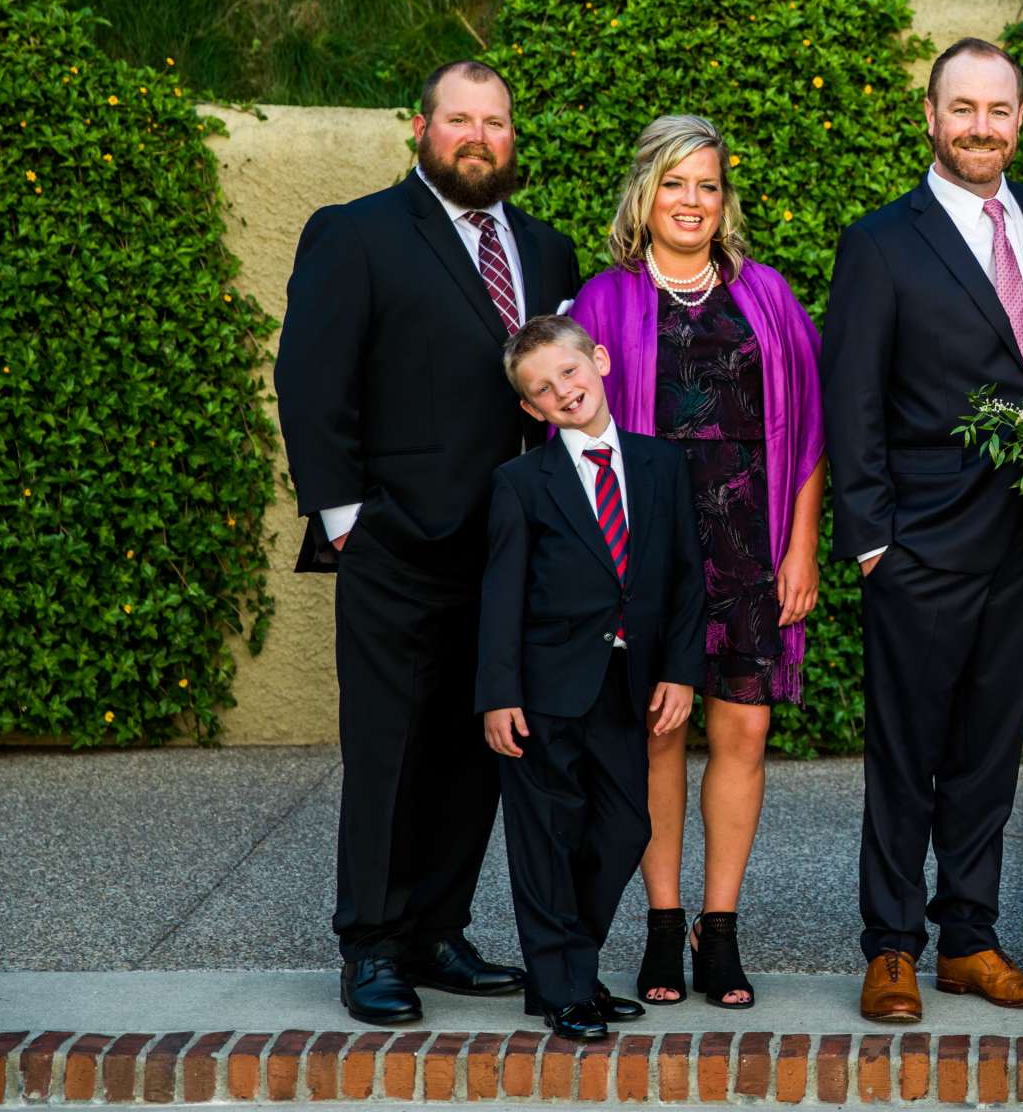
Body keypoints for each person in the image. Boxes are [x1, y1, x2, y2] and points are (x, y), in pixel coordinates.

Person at [273, 59, 578, 1026]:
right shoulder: (356, 233)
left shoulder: (547, 249)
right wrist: (347, 521)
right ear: (421, 128)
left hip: (507, 551)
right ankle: (369, 943)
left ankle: (437, 930)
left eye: (496, 122)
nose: (478, 137)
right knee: (387, 750)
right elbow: (311, 383)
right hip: (395, 546)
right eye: (460, 121)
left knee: (476, 745)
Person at [822, 37, 1023, 1023]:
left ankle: (969, 938)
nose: (980, 126)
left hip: (1022, 541)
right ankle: (890, 946)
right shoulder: (883, 240)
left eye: (998, 109)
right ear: (930, 117)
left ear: (1020, 120)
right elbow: (855, 399)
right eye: (961, 108)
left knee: (987, 750)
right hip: (918, 544)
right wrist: (874, 539)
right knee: (904, 752)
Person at [569, 115, 825, 1011]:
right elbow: (569, 428)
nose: (692, 201)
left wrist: (801, 546)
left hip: (751, 543)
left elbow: (812, 430)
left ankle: (721, 931)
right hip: (647, 550)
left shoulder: (768, 296)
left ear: (726, 200)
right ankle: (662, 924)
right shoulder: (602, 299)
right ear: (646, 193)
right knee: (658, 729)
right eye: (675, 183)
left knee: (743, 732)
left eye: (708, 185)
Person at [478, 316, 706, 1042]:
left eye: (569, 373)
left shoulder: (660, 465)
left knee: (623, 824)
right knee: (546, 834)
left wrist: (679, 672)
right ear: (531, 410)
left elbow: (684, 579)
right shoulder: (521, 483)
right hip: (543, 689)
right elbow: (501, 593)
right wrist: (498, 694)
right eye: (542, 390)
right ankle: (564, 985)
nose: (563, 392)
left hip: (625, 681)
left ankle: (569, 969)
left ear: (599, 363)